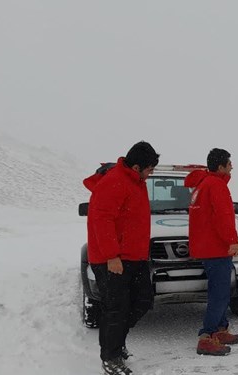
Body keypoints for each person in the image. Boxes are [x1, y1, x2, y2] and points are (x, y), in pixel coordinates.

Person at [83, 141, 159, 375]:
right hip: (113, 260)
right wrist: (111, 256)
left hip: (134, 257)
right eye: (149, 169)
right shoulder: (115, 182)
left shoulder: (136, 181)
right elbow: (101, 220)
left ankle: (116, 342)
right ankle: (111, 357)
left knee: (142, 301)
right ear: (136, 167)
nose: (150, 174)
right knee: (115, 309)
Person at [184, 148, 238, 356]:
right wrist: (232, 242)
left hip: (207, 247)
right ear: (220, 167)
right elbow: (224, 217)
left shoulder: (203, 184)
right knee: (219, 293)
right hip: (216, 249)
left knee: (220, 290)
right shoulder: (216, 185)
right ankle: (206, 337)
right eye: (229, 164)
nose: (231, 167)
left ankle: (220, 329)